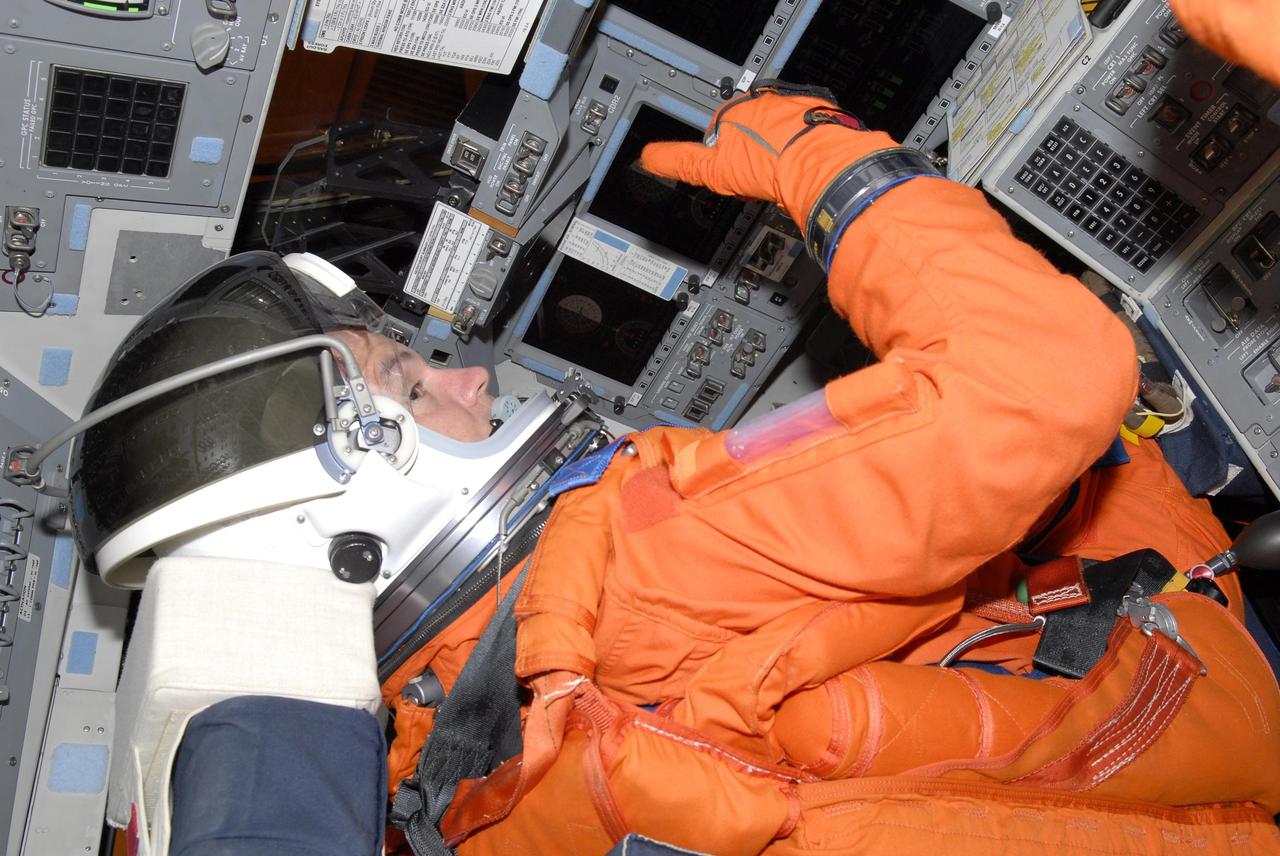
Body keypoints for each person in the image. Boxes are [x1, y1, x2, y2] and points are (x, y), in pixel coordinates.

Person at [58, 1, 1280, 853]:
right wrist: (823, 165)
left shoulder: (459, 770)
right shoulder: (635, 562)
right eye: (410, 386)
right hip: (1198, 691)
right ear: (346, 524)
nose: (472, 382)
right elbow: (1048, 374)